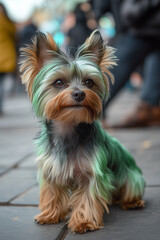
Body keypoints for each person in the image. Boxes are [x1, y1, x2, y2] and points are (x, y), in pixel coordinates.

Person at [92, 0, 160, 128]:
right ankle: (150, 105)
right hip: (144, 17)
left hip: (145, 18)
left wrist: (99, 8)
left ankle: (91, 108)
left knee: (125, 55)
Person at [0, 3, 16, 115]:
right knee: (1, 83)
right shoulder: (9, 23)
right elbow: (15, 36)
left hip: (5, 56)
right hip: (6, 56)